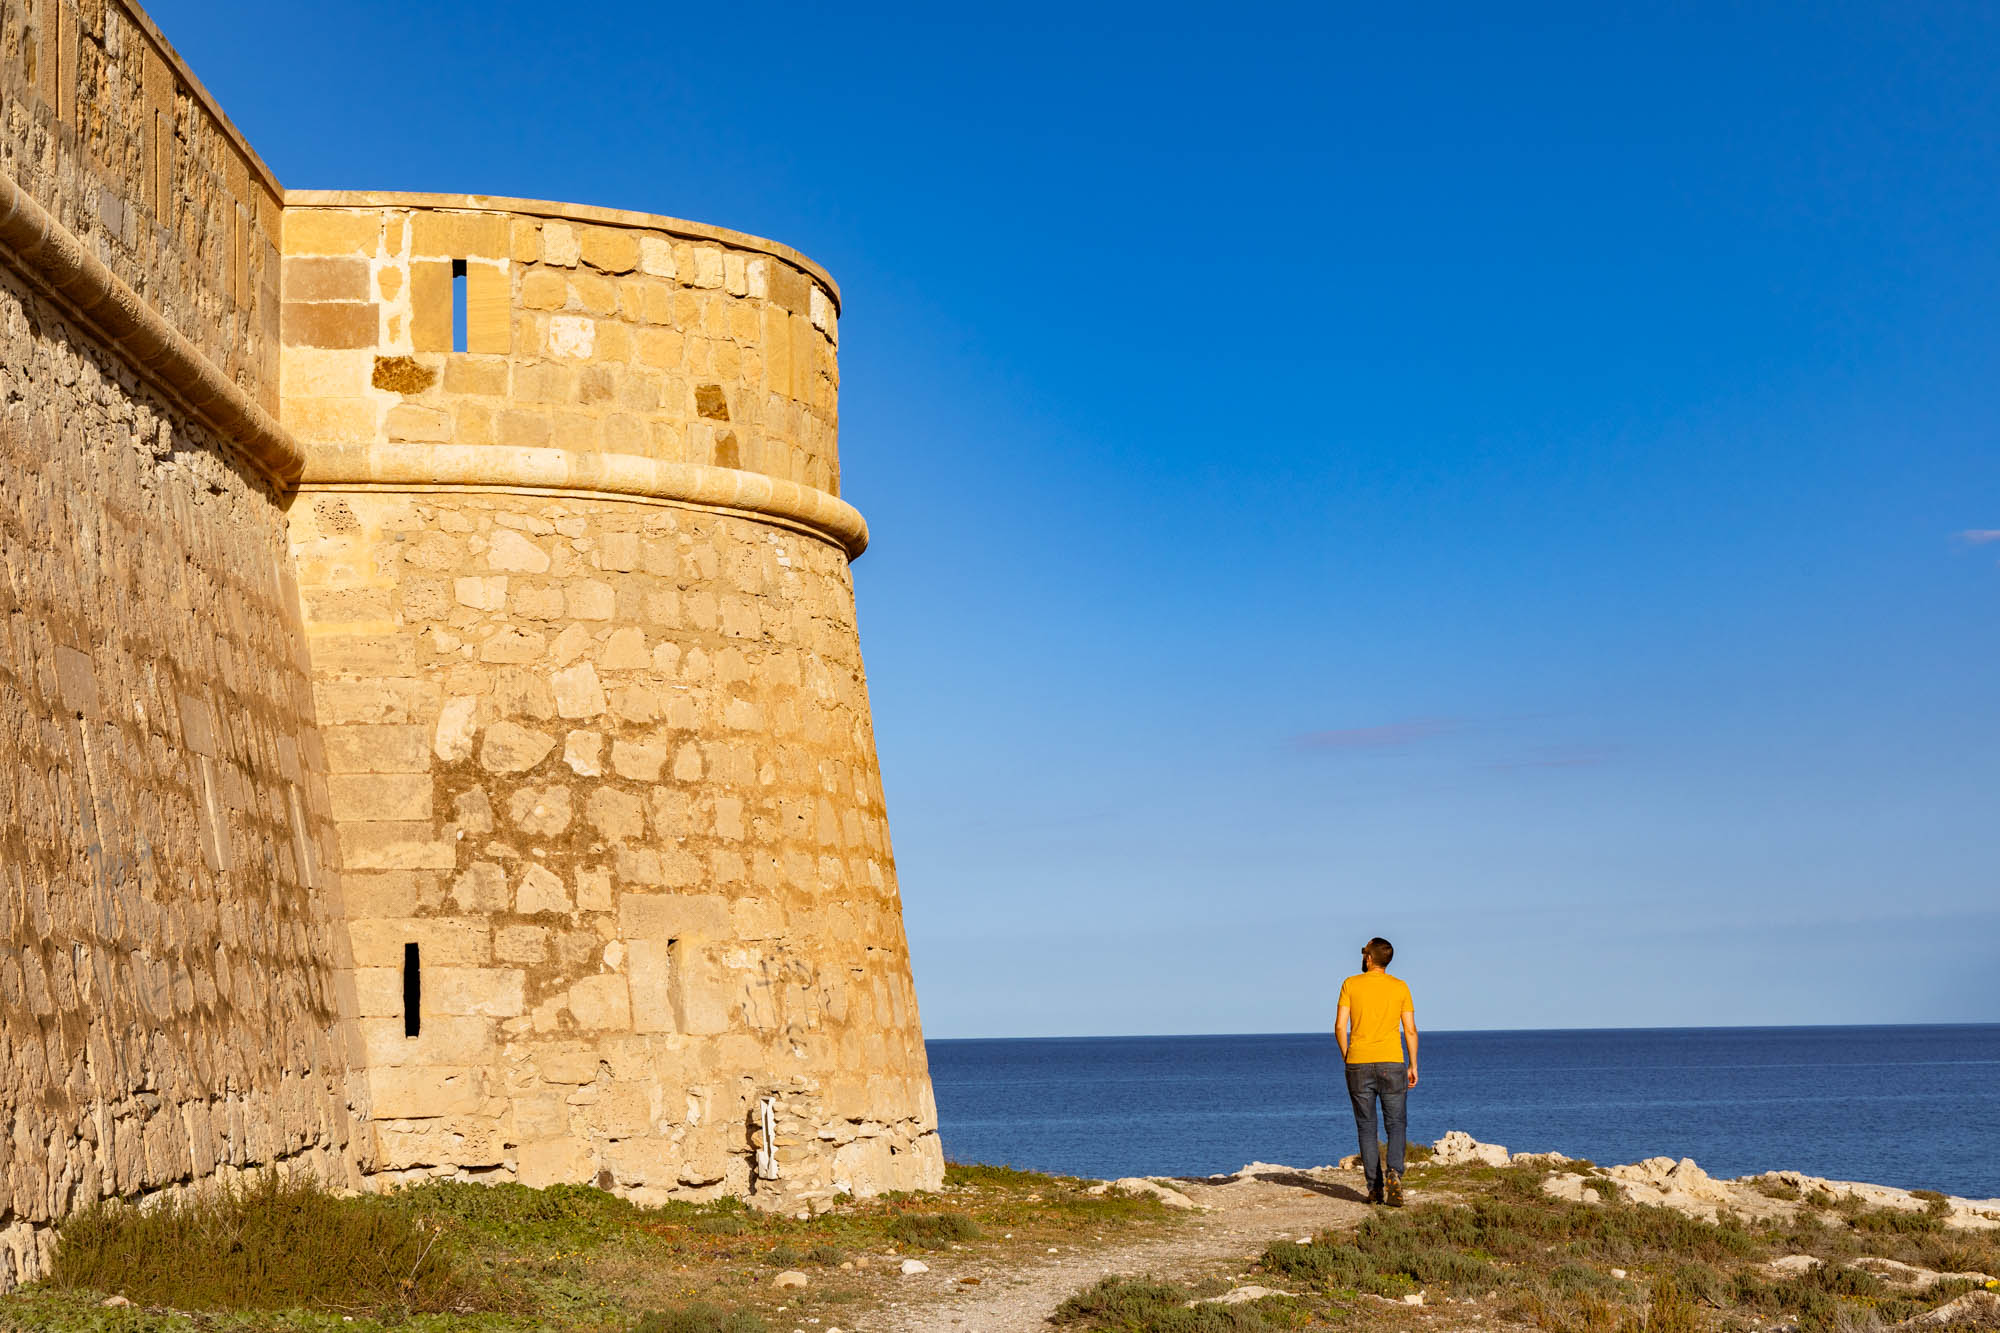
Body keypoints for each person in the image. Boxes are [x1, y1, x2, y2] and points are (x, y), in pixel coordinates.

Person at [1336, 936, 1418, 1206]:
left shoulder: (1350, 984)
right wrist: (1413, 1064)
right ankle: (1394, 1172)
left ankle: (1375, 1189)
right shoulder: (1400, 987)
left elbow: (1340, 1026)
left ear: (1369, 958)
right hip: (1392, 1063)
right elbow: (1410, 1030)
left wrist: (1348, 1056)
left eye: (1364, 953)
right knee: (1396, 1124)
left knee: (1366, 1127)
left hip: (1358, 1063)